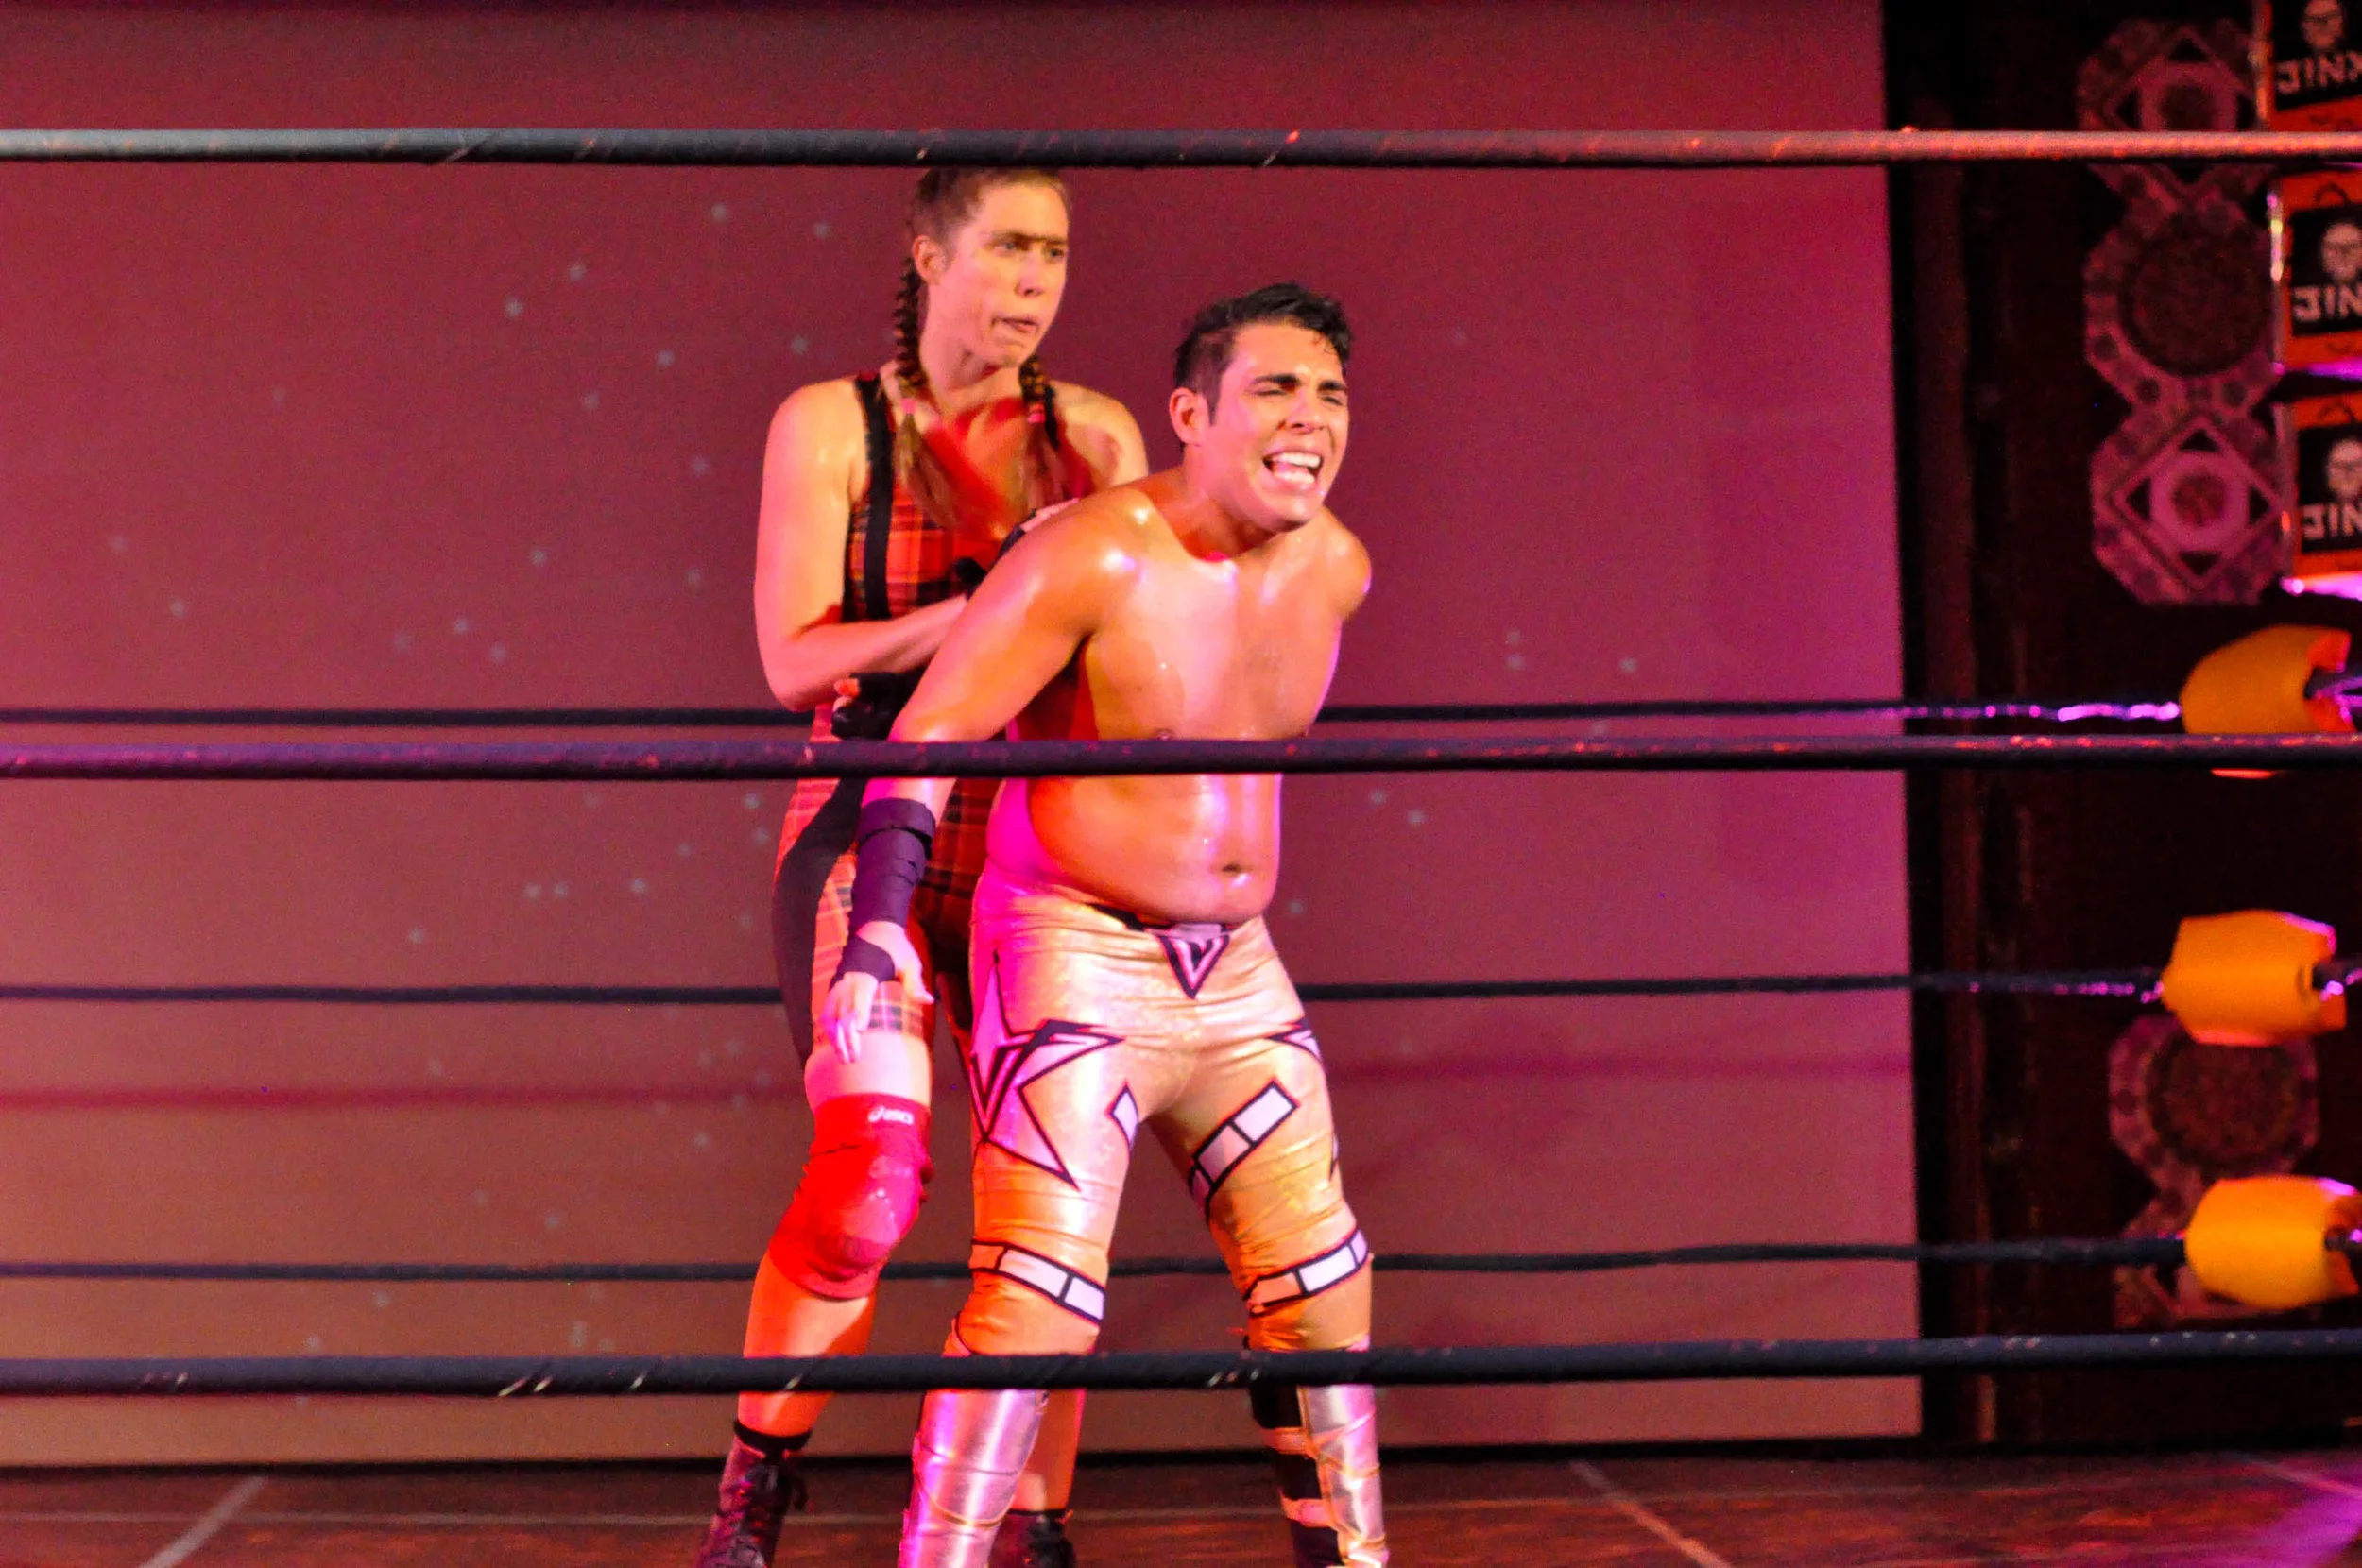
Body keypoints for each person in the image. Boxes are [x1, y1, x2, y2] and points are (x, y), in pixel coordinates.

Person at [819, 283, 1384, 1568]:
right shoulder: (1094, 555)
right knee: (1035, 1304)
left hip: (1237, 970)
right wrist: (881, 926)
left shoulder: (1334, 568)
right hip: (1073, 949)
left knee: (1324, 1288)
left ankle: (1352, 1563)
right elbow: (932, 734)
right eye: (1275, 391)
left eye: (1331, 395)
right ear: (1190, 414)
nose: (1310, 420)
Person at [693, 165, 1147, 1568]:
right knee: (870, 1177)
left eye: (1053, 253)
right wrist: (997, 608)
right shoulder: (833, 424)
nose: (1033, 280)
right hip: (868, 807)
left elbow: (1138, 646)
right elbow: (794, 662)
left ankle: (1034, 1523)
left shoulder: (1098, 435)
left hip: (1042, 832)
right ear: (931, 255)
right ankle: (755, 1488)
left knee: (1049, 1204)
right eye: (1006, 247)